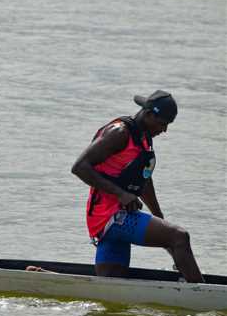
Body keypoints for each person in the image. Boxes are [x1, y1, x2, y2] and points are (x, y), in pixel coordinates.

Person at [71, 90, 204, 283]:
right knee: (179, 237)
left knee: (111, 291)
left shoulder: (143, 138)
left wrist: (159, 218)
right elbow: (79, 167)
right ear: (149, 114)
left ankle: (42, 275)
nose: (164, 130)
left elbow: (144, 181)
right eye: (162, 123)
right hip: (111, 217)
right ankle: (202, 299)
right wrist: (121, 194)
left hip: (120, 218)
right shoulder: (119, 133)